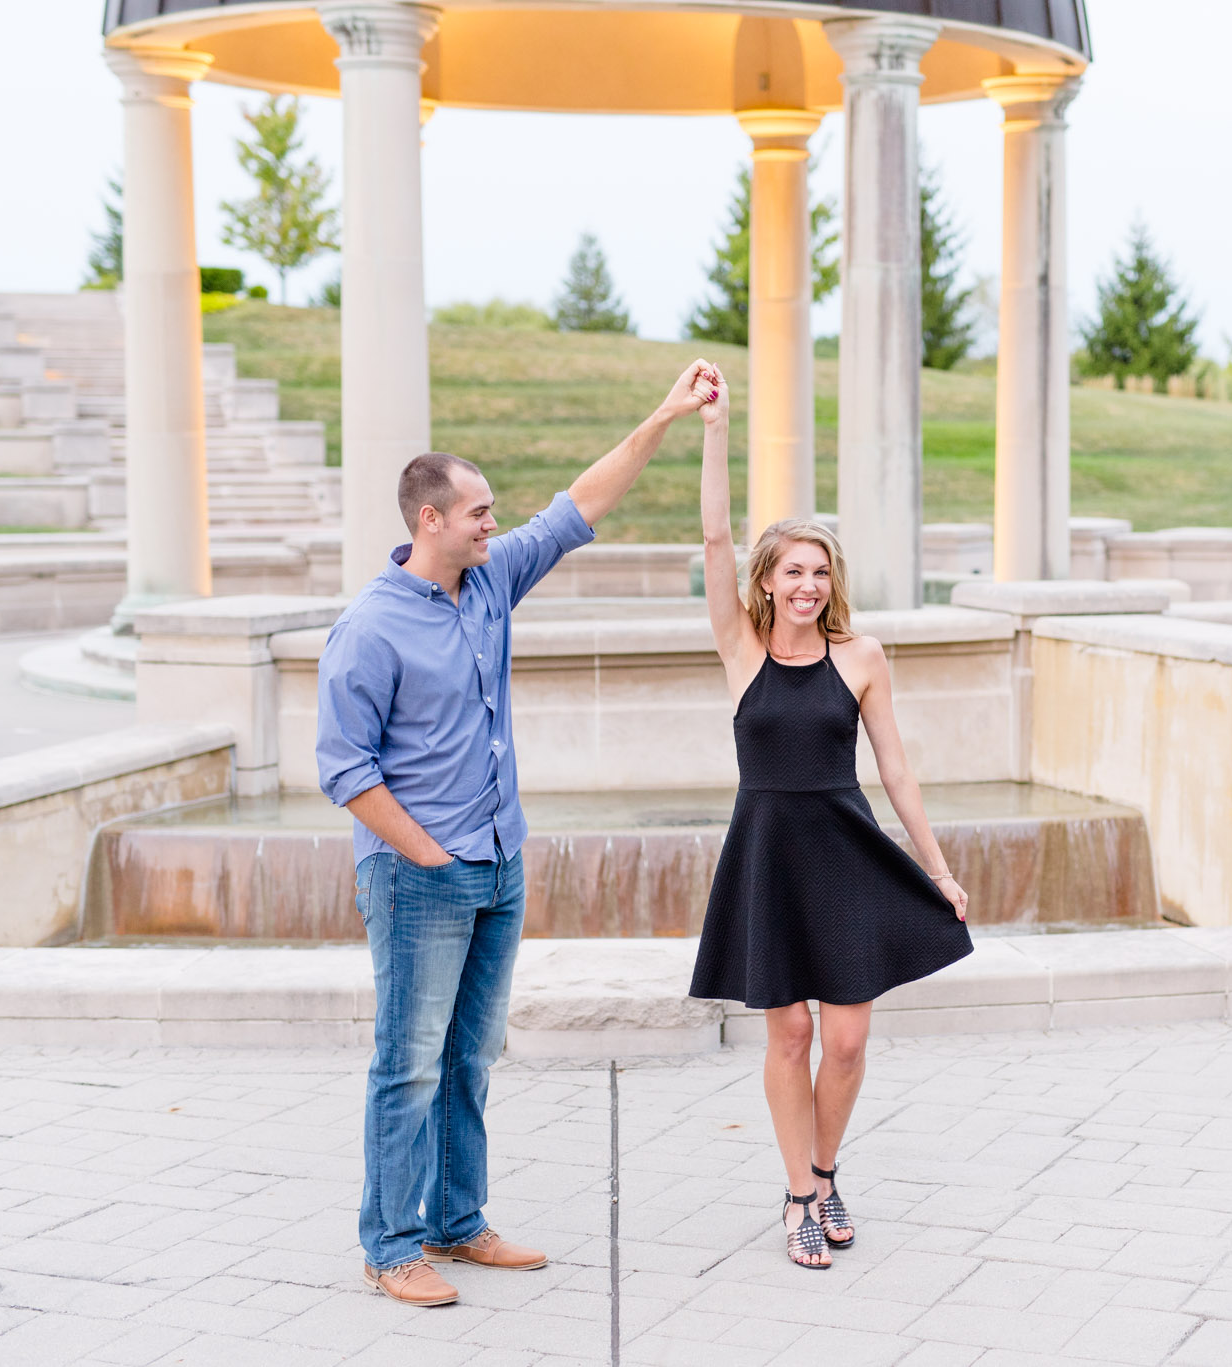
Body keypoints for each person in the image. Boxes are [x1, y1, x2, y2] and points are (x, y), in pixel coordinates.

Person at [317, 361, 721, 1306]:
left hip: (500, 863)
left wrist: (663, 411)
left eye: (493, 512)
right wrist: (427, 854)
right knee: (407, 1063)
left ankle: (458, 1223)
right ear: (430, 520)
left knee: (470, 1055)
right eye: (478, 512)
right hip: (422, 877)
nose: (493, 523)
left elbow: (581, 503)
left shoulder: (491, 582)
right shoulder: (369, 629)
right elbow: (345, 771)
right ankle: (391, 1246)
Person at [685, 364, 973, 1270]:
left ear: (830, 581)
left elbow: (895, 768)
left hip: (845, 851)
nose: (805, 585)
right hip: (768, 850)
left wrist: (936, 868)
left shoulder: (863, 656)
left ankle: (826, 1166)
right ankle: (799, 1195)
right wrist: (714, 427)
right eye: (790, 571)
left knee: (845, 1036)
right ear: (766, 581)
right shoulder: (740, 645)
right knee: (792, 1031)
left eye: (819, 571)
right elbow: (714, 533)